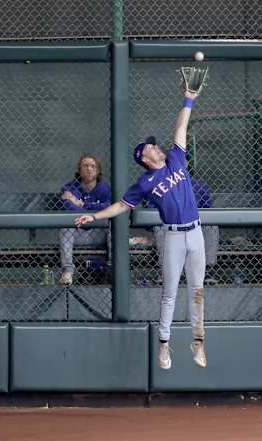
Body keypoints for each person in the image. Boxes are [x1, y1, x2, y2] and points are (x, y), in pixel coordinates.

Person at [74, 89, 207, 370]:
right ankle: (164, 344)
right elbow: (122, 206)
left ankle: (198, 342)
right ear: (144, 157)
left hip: (196, 232)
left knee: (197, 290)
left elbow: (181, 126)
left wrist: (189, 100)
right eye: (150, 147)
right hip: (172, 235)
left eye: (154, 145)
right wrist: (94, 216)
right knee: (169, 291)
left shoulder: (175, 159)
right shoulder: (145, 182)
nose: (155, 147)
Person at [152, 162, 219, 285]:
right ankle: (165, 270)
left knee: (211, 226)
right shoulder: (159, 185)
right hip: (170, 226)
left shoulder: (199, 186)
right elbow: (150, 212)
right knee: (159, 226)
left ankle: (207, 270)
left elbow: (209, 211)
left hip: (194, 226)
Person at [58, 154, 111, 286]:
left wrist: (81, 204)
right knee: (65, 228)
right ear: (79, 170)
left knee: (114, 226)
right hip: (78, 233)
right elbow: (68, 208)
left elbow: (109, 207)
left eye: (93, 166)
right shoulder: (70, 188)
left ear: (98, 171)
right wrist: (94, 210)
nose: (89, 169)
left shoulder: (105, 189)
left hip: (100, 233)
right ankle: (68, 271)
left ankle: (112, 267)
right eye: (85, 165)